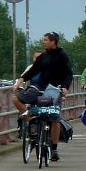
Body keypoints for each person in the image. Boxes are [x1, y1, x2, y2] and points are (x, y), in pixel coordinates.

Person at [12, 32, 73, 161]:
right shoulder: (43, 56)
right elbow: (33, 70)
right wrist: (21, 80)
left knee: (54, 117)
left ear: (53, 42)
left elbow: (68, 74)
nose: (43, 42)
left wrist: (65, 88)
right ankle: (31, 119)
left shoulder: (62, 56)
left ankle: (54, 149)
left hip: (53, 89)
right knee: (16, 98)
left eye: (45, 40)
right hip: (39, 88)